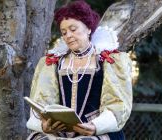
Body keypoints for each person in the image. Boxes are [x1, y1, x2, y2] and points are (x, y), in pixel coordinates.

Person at [26, 1, 132, 140]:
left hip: (96, 131)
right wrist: (44, 124)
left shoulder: (108, 61)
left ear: (88, 28)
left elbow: (118, 103)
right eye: (64, 32)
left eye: (73, 29)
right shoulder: (53, 63)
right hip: (59, 133)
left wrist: (96, 126)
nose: (68, 35)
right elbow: (41, 102)